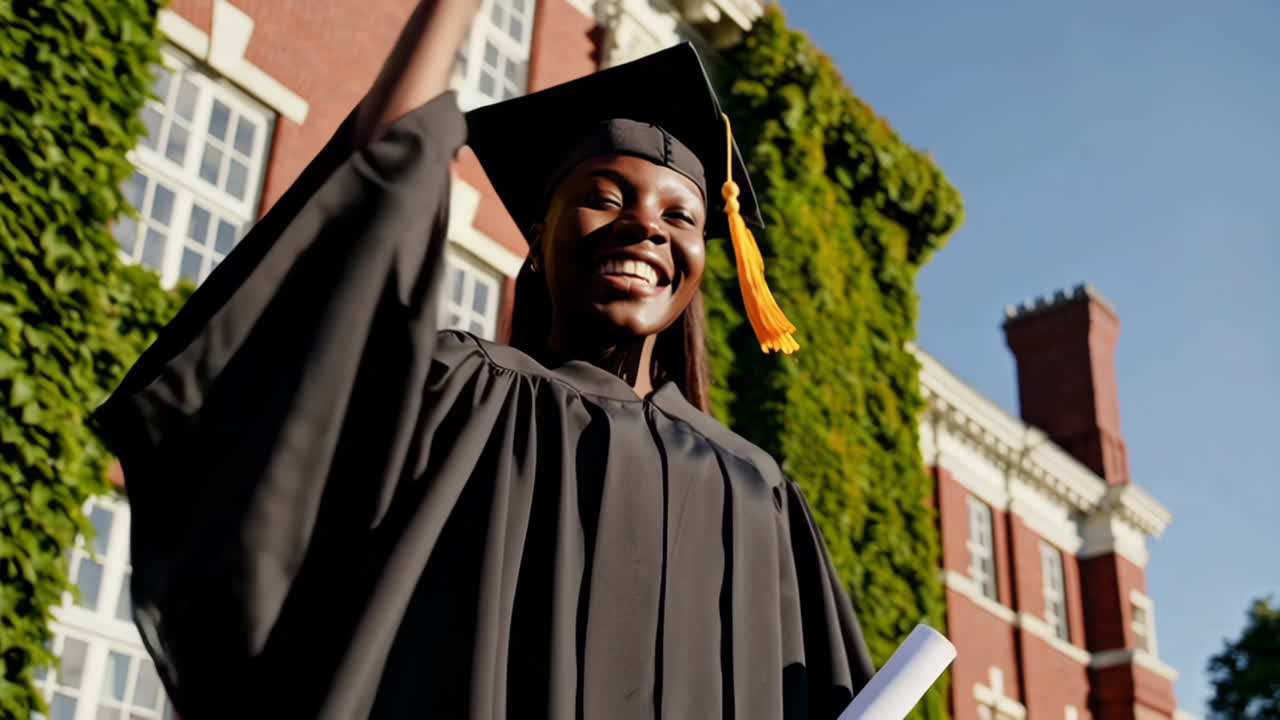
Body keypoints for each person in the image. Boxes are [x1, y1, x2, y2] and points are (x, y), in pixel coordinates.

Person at [92, 0, 875, 717]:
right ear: (538, 243)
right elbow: (351, 262)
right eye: (605, 195)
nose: (646, 228)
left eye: (681, 215)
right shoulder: (461, 400)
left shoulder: (759, 491)